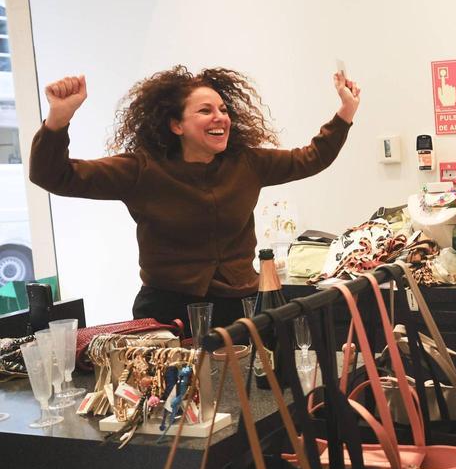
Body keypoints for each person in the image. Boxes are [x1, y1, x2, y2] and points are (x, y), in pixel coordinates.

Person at [29, 66, 360, 335]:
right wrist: (58, 119)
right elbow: (54, 176)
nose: (220, 117)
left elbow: (312, 158)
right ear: (176, 125)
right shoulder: (142, 169)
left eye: (223, 109)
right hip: (168, 313)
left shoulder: (246, 163)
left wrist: (346, 112)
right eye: (206, 110)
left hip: (242, 308)